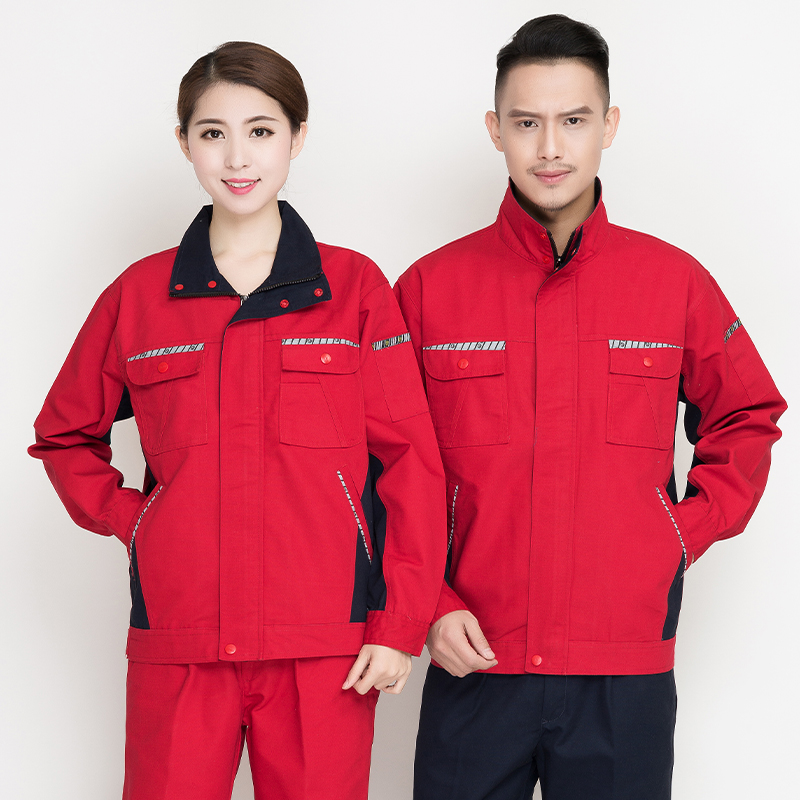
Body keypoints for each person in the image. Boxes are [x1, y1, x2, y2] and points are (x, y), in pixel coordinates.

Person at [29, 41, 445, 800]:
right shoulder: (139, 295)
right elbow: (63, 435)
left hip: (324, 647)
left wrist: (398, 625)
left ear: (297, 137)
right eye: (213, 133)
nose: (237, 157)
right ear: (184, 142)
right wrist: (139, 520)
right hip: (181, 640)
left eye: (260, 130)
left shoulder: (354, 288)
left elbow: (409, 461)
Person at [395, 14, 786, 800]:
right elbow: (386, 463)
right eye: (526, 123)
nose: (550, 147)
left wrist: (674, 534)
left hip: (623, 674)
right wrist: (428, 603)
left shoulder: (673, 282)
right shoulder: (430, 289)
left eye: (573, 121)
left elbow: (747, 415)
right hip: (474, 660)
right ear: (494, 130)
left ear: (609, 126)